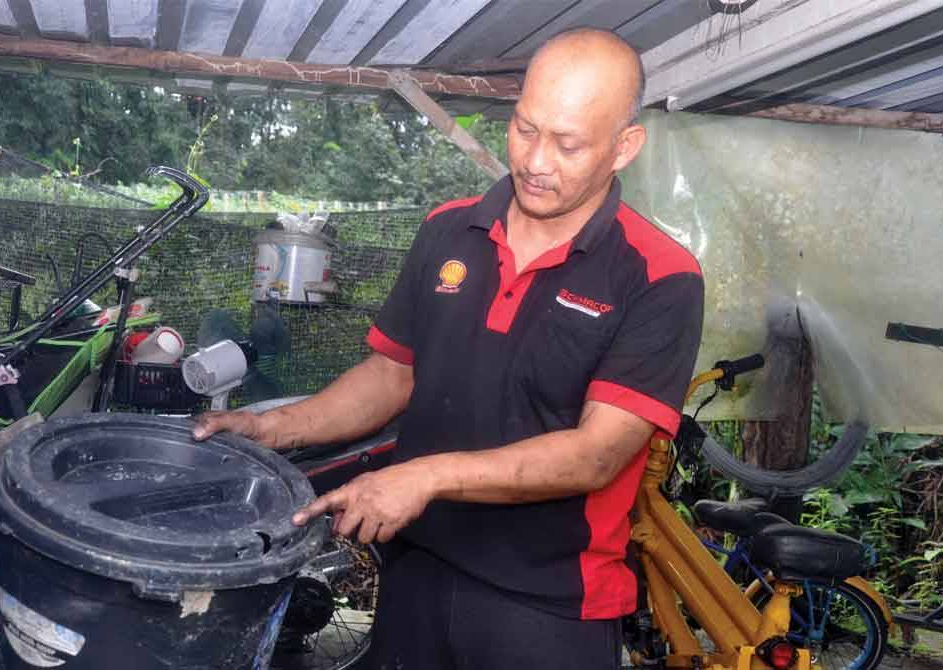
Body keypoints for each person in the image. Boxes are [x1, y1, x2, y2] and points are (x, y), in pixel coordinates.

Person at [194, 28, 704, 670]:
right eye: (524, 129)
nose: (536, 161)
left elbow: (596, 456)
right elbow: (390, 373)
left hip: (549, 604)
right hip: (418, 572)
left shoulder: (659, 275)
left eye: (568, 143)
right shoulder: (448, 229)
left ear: (624, 146)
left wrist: (426, 476)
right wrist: (273, 428)